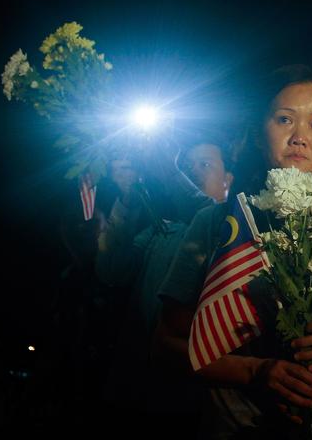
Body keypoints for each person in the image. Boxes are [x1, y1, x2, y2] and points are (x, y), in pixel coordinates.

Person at [153, 65, 312, 439]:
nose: (299, 138)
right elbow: (165, 344)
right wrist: (255, 371)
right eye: (284, 119)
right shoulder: (219, 224)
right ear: (260, 133)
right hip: (244, 425)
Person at [95, 132, 233, 437]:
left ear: (228, 180)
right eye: (187, 165)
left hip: (189, 402)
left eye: (204, 164)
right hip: (132, 390)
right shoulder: (164, 231)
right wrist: (128, 200)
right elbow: (110, 270)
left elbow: (204, 211)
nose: (193, 171)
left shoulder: (233, 236)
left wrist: (170, 170)